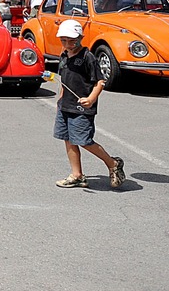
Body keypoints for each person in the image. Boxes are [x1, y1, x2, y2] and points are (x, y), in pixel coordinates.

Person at [52, 20, 126, 189]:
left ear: (80, 38)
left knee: (84, 140)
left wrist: (91, 99)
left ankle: (112, 163)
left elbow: (100, 82)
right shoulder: (63, 56)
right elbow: (64, 81)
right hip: (65, 105)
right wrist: (60, 100)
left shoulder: (88, 57)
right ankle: (76, 175)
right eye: (63, 40)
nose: (67, 44)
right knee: (68, 139)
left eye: (71, 40)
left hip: (82, 108)